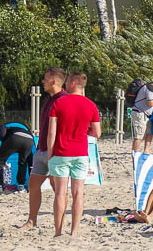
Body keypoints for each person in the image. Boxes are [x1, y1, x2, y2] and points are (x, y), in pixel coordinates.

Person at [45, 70, 101, 238]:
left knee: (60, 193)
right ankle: (74, 231)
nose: (66, 84)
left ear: (73, 83)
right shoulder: (91, 105)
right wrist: (83, 131)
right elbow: (97, 133)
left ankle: (58, 231)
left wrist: (49, 155)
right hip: (81, 153)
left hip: (61, 152)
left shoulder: (59, 103)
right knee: (78, 193)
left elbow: (51, 133)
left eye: (68, 80)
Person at [21, 66, 67, 230]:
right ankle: (32, 220)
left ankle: (60, 223)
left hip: (56, 151)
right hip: (41, 149)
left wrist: (56, 151)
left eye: (46, 78)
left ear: (54, 81)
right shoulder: (49, 99)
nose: (43, 81)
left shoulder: (64, 99)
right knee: (33, 184)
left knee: (58, 188)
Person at [0, 123, 34, 191]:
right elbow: (31, 162)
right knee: (23, 162)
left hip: (15, 138)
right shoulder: (23, 130)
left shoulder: (6, 127)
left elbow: (2, 127)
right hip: (30, 140)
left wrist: (4, 142)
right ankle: (21, 186)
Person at [131, 76, 153, 154]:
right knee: (139, 136)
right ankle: (135, 154)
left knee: (149, 133)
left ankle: (146, 151)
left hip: (147, 115)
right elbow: (150, 103)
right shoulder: (149, 89)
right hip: (139, 113)